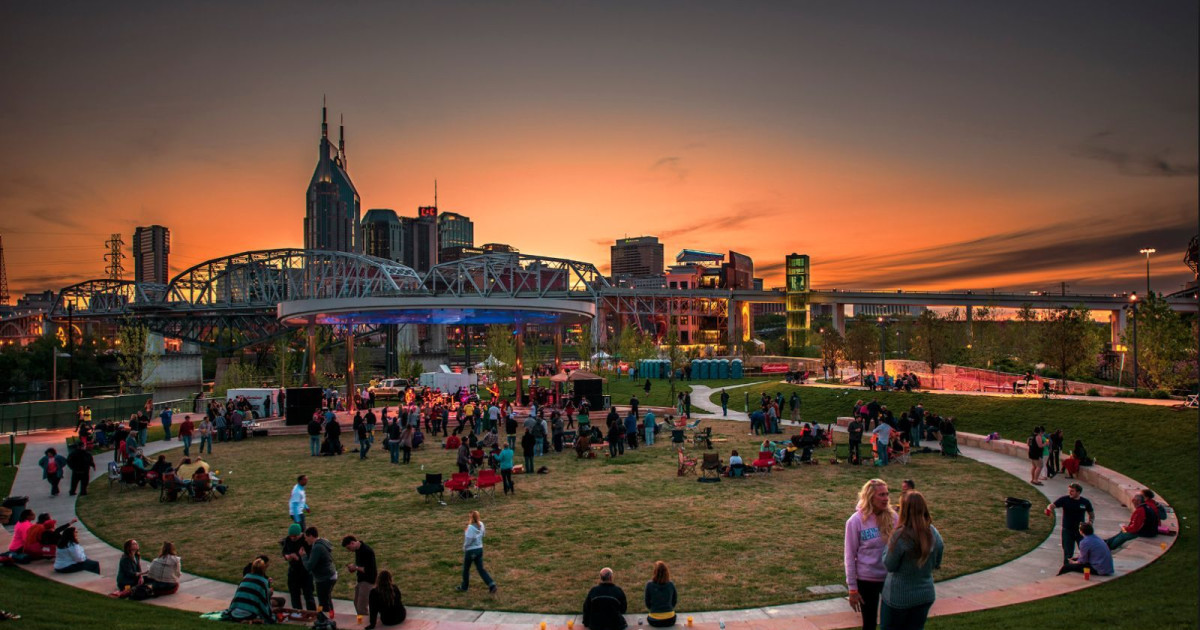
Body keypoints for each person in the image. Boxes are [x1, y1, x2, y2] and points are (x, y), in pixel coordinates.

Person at [881, 491, 943, 629]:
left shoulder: (900, 536)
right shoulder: (934, 533)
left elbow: (889, 565)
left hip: (898, 598)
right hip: (925, 595)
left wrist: (887, 546)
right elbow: (937, 561)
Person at [844, 479, 898, 630]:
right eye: (881, 495)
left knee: (893, 622)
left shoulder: (894, 518)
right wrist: (853, 589)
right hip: (867, 580)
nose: (886, 498)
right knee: (869, 623)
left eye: (887, 494)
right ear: (870, 497)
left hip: (890, 578)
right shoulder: (855, 521)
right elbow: (849, 556)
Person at [1046, 483, 1095, 563]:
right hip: (1067, 530)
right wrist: (1049, 509)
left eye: (1072, 491)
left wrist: (1090, 522)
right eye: (1069, 491)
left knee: (1085, 550)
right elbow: (1052, 505)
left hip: (1080, 531)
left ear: (1078, 492)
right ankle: (1066, 568)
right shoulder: (1065, 499)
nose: (1070, 493)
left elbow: (1091, 514)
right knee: (1068, 553)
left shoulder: (1085, 502)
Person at [456, 510, 498, 593]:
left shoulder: (470, 527)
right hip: (479, 549)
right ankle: (491, 584)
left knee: (466, 569)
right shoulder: (481, 524)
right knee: (481, 569)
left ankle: (464, 587)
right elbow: (483, 534)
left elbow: (469, 540)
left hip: (471, 551)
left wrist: (465, 547)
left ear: (470, 517)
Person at [225, 557, 274, 624]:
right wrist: (270, 616)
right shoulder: (263, 581)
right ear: (263, 569)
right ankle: (251, 620)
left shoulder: (246, 577)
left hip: (233, 612)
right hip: (248, 613)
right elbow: (264, 603)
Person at [302, 527, 339, 614]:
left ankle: (326, 620)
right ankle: (331, 617)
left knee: (323, 602)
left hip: (324, 578)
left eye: (306, 537)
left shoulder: (317, 547)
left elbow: (309, 566)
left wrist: (303, 556)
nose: (305, 539)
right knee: (327, 599)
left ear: (310, 536)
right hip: (330, 575)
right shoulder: (323, 542)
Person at [281, 523, 316, 611]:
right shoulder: (288, 540)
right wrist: (287, 556)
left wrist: (297, 556)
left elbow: (310, 554)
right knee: (294, 594)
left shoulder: (305, 540)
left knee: (308, 595)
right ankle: (297, 612)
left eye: (295, 536)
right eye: (291, 536)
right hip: (293, 571)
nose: (292, 538)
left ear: (299, 534)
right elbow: (284, 551)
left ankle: (312, 613)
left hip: (305, 572)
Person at [342, 536, 378, 619]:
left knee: (361, 607)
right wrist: (354, 568)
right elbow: (360, 566)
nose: (349, 550)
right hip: (361, 580)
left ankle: (365, 624)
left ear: (352, 543)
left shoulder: (367, 551)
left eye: (348, 547)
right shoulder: (358, 550)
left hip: (368, 581)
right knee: (356, 603)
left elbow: (369, 570)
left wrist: (355, 567)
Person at [644, 561, 678, 627]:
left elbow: (647, 603)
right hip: (670, 620)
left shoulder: (649, 585)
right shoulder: (671, 584)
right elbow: (674, 601)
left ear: (654, 572)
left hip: (654, 621)